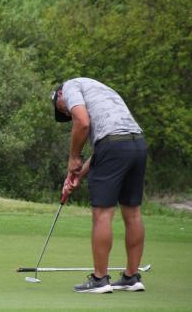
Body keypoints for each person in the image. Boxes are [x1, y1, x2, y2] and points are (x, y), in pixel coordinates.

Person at [53, 78, 147, 293]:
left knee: (102, 214)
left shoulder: (69, 87)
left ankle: (99, 279)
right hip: (137, 145)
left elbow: (83, 123)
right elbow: (106, 148)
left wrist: (73, 158)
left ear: (59, 96)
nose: (66, 113)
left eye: (62, 110)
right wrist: (77, 175)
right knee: (132, 213)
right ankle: (131, 277)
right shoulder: (102, 90)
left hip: (113, 147)